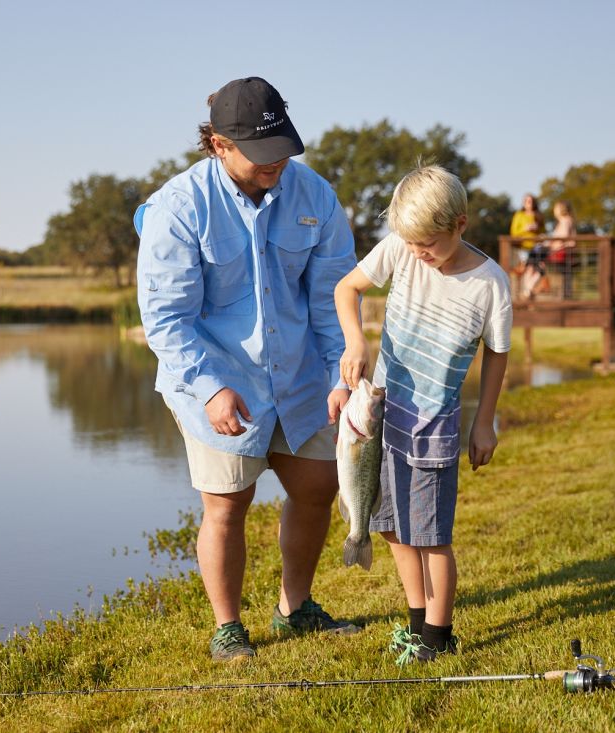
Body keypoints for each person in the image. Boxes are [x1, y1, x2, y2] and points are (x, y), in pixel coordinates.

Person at [134, 77, 361, 663]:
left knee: (318, 485)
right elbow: (166, 320)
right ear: (217, 145)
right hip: (215, 377)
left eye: (283, 148)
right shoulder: (177, 209)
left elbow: (332, 298)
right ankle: (228, 627)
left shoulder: (316, 197)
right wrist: (211, 389)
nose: (276, 164)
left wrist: (343, 374)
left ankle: (295, 608)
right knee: (227, 503)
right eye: (261, 154)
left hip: (302, 375)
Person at [334, 165, 511, 662]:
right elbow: (347, 290)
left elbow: (497, 353)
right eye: (410, 243)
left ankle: (439, 635)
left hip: (433, 424)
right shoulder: (400, 249)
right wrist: (357, 339)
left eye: (428, 244)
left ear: (460, 224)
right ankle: (417, 623)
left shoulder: (489, 283)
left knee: (431, 535)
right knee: (388, 523)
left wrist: (485, 421)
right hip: (381, 417)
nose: (417, 254)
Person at [510, 194, 547, 297]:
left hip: (537, 248)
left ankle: (527, 293)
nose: (529, 203)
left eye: (531, 201)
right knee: (528, 270)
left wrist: (537, 230)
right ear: (524, 203)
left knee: (539, 270)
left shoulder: (539, 215)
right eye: (527, 201)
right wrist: (525, 229)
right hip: (523, 247)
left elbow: (544, 232)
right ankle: (527, 296)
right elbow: (513, 232)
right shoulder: (519, 215)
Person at [545, 200, 577, 299]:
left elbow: (563, 238)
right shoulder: (565, 221)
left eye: (556, 208)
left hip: (561, 254)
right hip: (561, 253)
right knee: (565, 277)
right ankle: (564, 297)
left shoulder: (565, 221)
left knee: (563, 277)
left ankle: (563, 299)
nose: (554, 210)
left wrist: (551, 244)